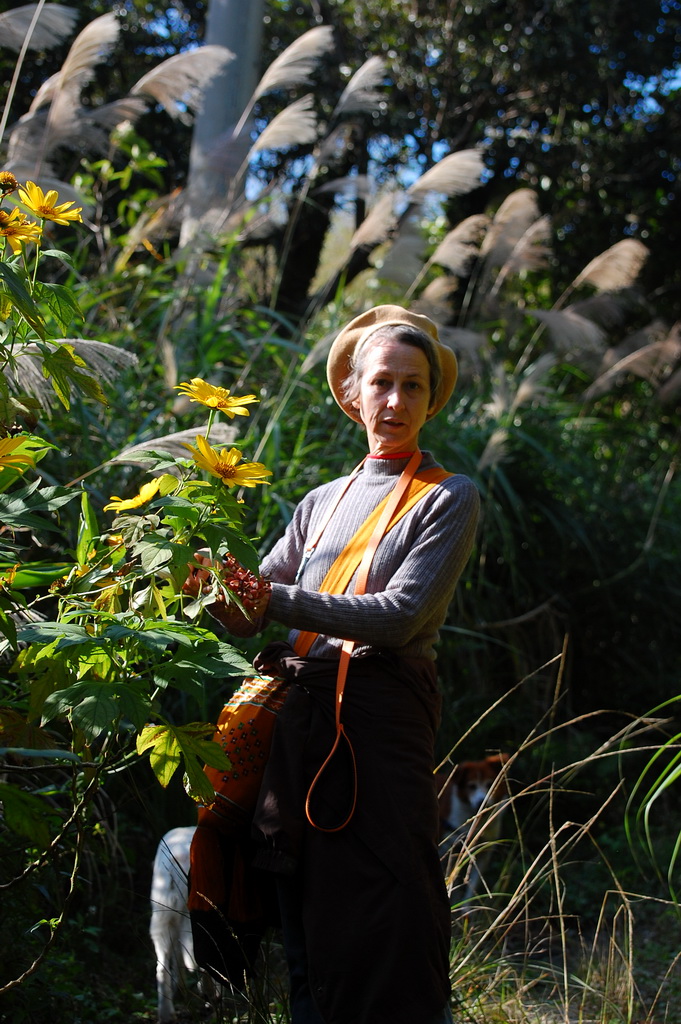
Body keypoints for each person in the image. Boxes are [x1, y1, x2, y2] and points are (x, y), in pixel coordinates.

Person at [199, 305, 480, 1024]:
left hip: (379, 731)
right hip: (299, 726)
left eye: (412, 387)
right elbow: (252, 608)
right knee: (302, 917)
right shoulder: (319, 503)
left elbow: (400, 617)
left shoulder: (447, 497)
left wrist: (270, 598)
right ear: (351, 394)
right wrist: (203, 584)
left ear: (429, 398)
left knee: (389, 912)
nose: (395, 401)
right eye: (381, 383)